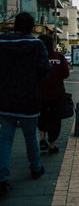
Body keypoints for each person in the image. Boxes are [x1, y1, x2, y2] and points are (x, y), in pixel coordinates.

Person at [0, 12, 51, 198]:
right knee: (31, 137)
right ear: (32, 27)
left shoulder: (2, 43)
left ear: (14, 25)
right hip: (29, 99)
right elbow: (45, 70)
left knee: (5, 139)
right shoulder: (37, 45)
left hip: (5, 99)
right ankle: (35, 168)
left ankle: (2, 178)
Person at [37, 34, 70, 155]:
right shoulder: (59, 57)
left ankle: (42, 139)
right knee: (55, 119)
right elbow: (66, 74)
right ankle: (52, 145)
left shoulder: (37, 57)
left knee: (41, 116)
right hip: (57, 94)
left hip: (40, 94)